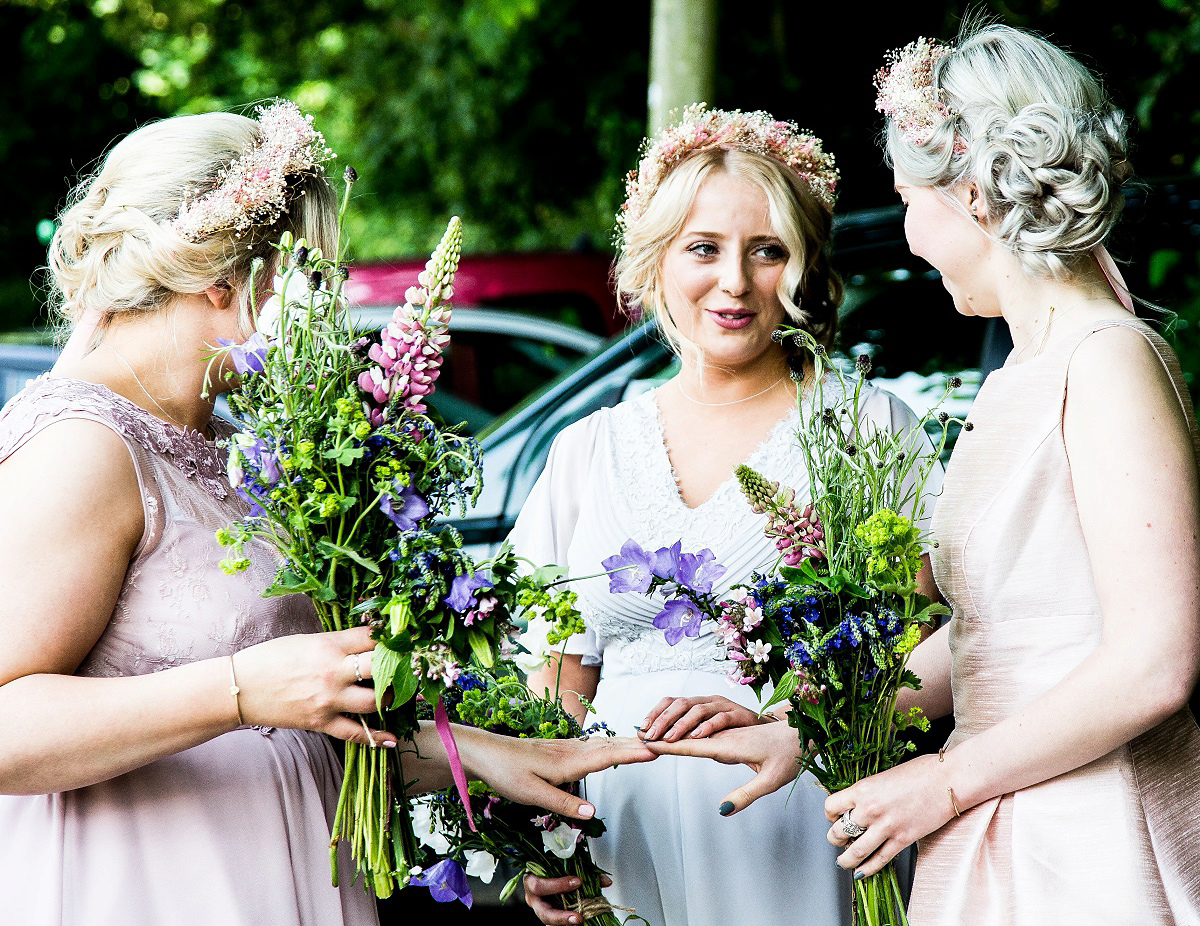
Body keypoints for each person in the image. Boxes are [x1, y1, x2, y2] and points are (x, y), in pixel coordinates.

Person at [0, 102, 654, 926]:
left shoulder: (230, 442)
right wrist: (236, 690)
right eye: (306, 274)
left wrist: (480, 755)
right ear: (222, 275)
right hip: (153, 887)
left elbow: (295, 715)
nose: (321, 307)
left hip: (288, 868)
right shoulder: (83, 446)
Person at [648, 24, 1200, 926]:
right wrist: (807, 728)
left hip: (1092, 833)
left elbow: (1154, 663)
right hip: (1010, 809)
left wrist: (946, 780)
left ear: (975, 195)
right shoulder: (1027, 370)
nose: (909, 233)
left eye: (911, 199)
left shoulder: (1108, 361)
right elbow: (997, 635)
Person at [513, 104, 942, 926]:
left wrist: (799, 714)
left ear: (806, 265)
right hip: (617, 834)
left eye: (767, 251)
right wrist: (546, 838)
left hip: (803, 826)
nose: (736, 283)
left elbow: (923, 654)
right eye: (704, 249)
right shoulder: (588, 449)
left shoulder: (866, 431)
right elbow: (558, 677)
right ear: (657, 261)